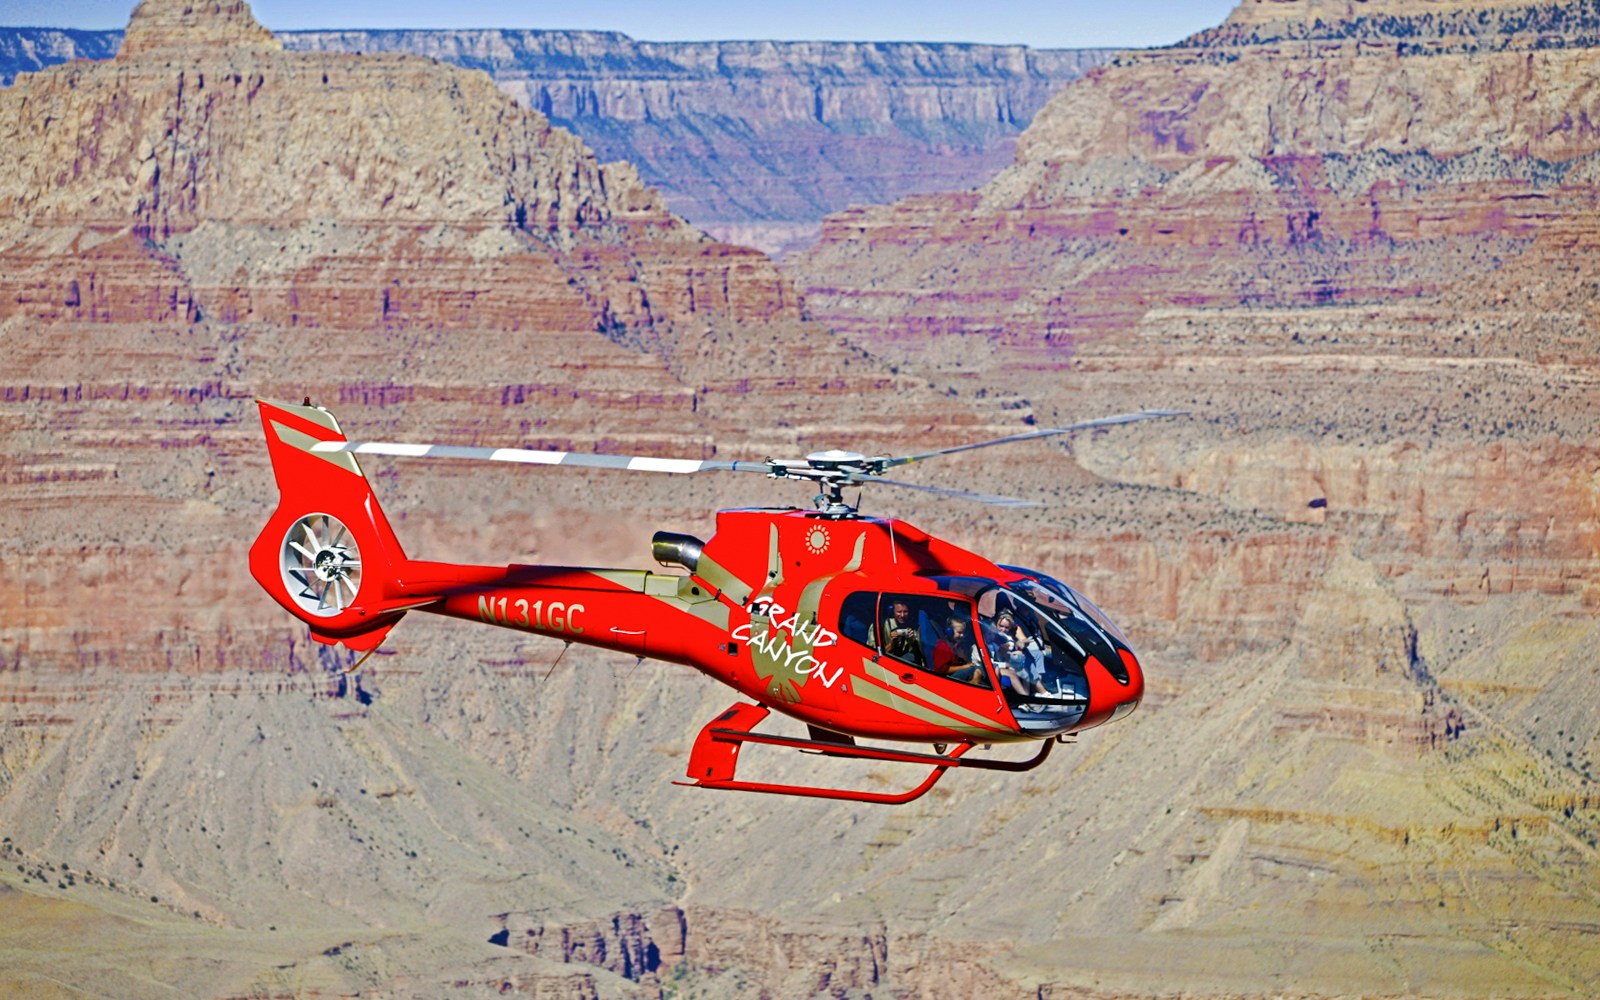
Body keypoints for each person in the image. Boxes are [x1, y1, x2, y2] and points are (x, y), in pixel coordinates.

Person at [880, 599, 925, 667]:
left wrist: (912, 641)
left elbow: (920, 654)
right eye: (899, 612)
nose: (902, 615)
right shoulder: (882, 626)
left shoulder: (913, 627)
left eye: (905, 612)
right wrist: (892, 644)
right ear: (893, 612)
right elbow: (874, 654)